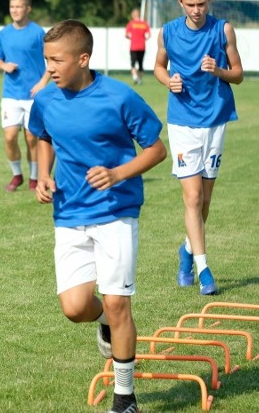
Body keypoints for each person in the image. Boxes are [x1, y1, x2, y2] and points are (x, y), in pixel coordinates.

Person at [29, 20, 166, 413]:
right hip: (68, 213)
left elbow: (157, 149)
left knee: (119, 301)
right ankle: (105, 319)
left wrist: (118, 173)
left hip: (116, 212)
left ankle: (125, 399)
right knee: (74, 308)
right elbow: (43, 136)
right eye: (46, 60)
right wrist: (42, 176)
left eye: (57, 60)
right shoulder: (45, 100)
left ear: (83, 59)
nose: (50, 68)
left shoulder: (120, 98)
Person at [152, 0, 244, 296]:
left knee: (204, 201)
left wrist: (218, 70)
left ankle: (187, 251)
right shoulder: (168, 32)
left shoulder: (223, 30)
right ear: (180, 2)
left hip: (215, 120)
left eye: (202, 4)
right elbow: (158, 67)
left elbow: (239, 74)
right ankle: (204, 270)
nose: (196, 10)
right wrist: (168, 82)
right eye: (190, 4)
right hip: (182, 122)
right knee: (191, 197)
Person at [0, 0, 51, 192]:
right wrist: (4, 66)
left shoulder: (38, 33)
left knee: (31, 138)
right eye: (12, 7)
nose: (15, 10)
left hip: (33, 95)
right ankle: (17, 175)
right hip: (10, 93)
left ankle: (34, 178)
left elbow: (51, 60)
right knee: (9, 137)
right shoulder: (4, 33)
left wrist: (43, 82)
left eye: (18, 7)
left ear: (28, 9)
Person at [124, 8, 151, 85]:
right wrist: (144, 39)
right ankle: (139, 80)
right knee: (141, 64)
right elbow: (149, 35)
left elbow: (126, 34)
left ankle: (135, 78)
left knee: (133, 64)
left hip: (133, 47)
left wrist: (131, 38)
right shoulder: (144, 24)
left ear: (133, 15)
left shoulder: (131, 24)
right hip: (142, 46)